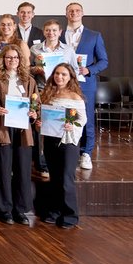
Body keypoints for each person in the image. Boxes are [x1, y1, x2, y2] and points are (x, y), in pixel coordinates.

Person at [0, 45, 39, 226]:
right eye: (8, 58)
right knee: (3, 169)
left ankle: (20, 210)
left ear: (20, 60)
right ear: (2, 59)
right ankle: (4, 209)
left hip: (23, 130)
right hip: (2, 129)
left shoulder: (29, 81)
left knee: (22, 169)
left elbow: (36, 104)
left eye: (15, 58)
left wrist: (33, 113)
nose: (12, 61)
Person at [37, 63, 87, 229]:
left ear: (70, 77)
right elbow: (44, 115)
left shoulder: (75, 97)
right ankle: (55, 211)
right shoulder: (48, 93)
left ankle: (70, 215)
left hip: (68, 141)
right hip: (51, 139)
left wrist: (72, 125)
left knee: (66, 178)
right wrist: (39, 122)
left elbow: (82, 120)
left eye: (64, 74)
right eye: (57, 74)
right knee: (55, 177)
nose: (60, 77)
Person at [30, 19, 79, 178]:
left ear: (60, 32)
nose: (51, 33)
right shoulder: (35, 49)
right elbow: (28, 70)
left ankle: (62, 160)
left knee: (62, 125)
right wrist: (36, 69)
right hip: (43, 91)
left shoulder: (68, 50)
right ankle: (40, 164)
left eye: (54, 30)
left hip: (63, 93)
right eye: (48, 30)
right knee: (40, 126)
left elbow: (74, 72)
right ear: (44, 32)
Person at [62, 2, 107, 171]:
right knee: (65, 117)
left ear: (82, 13)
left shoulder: (94, 35)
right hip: (63, 84)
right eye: (70, 11)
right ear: (66, 14)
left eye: (77, 10)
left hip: (85, 83)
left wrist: (89, 69)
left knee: (86, 118)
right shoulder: (59, 34)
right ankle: (67, 152)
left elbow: (103, 61)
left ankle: (86, 153)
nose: (74, 13)